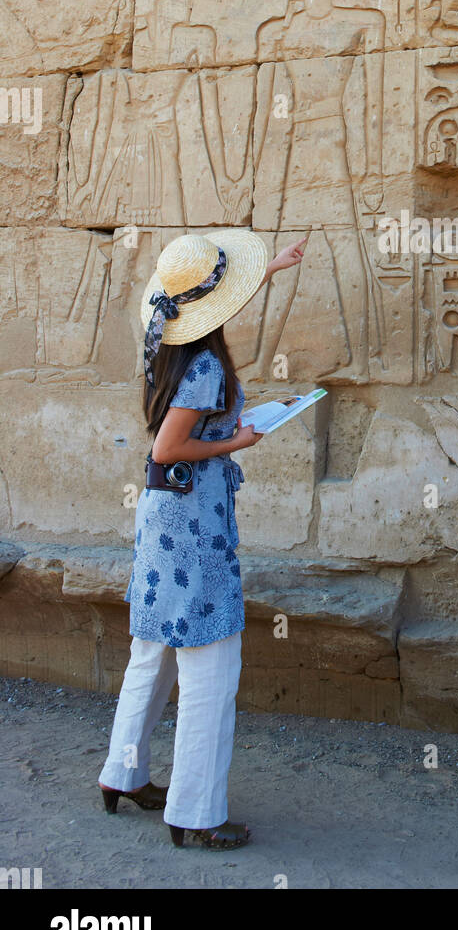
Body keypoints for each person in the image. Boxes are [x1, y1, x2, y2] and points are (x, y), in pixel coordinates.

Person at [98, 227, 306, 848]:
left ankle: (122, 774)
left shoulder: (164, 341)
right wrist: (238, 440)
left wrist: (268, 268)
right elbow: (170, 447)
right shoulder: (208, 363)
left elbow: (214, 302)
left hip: (164, 522)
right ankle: (195, 812)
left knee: (153, 651)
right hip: (195, 528)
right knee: (211, 667)